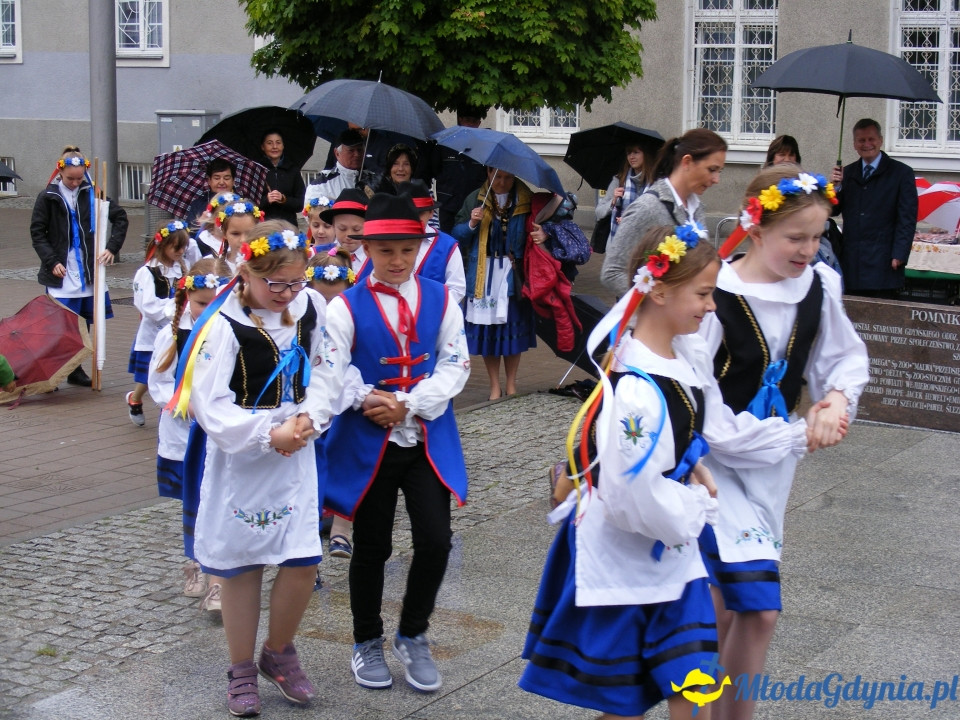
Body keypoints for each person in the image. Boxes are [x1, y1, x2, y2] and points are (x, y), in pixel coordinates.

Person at [519, 222, 810, 720]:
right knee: (626, 696)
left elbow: (698, 431)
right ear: (656, 291)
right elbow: (632, 492)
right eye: (702, 293)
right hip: (630, 551)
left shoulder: (681, 359)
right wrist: (696, 504)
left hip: (670, 555)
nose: (712, 306)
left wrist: (697, 464)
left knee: (691, 680)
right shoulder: (637, 386)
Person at [700, 166, 869, 720]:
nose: (809, 249)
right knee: (742, 607)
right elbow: (700, 402)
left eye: (818, 236)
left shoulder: (820, 285)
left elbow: (841, 357)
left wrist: (837, 400)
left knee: (739, 609)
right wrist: (794, 434)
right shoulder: (715, 291)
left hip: (773, 470)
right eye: (795, 237)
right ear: (754, 229)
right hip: (712, 465)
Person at [177, 219, 341, 716]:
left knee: (302, 558)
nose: (287, 293)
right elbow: (209, 403)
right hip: (243, 458)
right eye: (275, 284)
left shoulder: (310, 307)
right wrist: (269, 434)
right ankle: (241, 668)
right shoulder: (224, 322)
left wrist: (312, 415)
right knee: (242, 565)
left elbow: (331, 366)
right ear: (246, 271)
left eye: (296, 281)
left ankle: (279, 651)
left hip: (298, 448)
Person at [324, 194, 470, 693]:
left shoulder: (442, 297)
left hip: (426, 435)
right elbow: (331, 371)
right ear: (366, 249)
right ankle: (366, 640)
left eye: (406, 249)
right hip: (370, 441)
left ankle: (413, 633)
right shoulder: (343, 306)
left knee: (436, 540)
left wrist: (409, 403)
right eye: (386, 250)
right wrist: (371, 398)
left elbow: (456, 363)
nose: (397, 260)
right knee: (372, 546)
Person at [148, 257, 229, 598]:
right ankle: (196, 565)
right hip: (186, 434)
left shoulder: (230, 331)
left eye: (216, 303)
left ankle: (220, 575)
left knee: (220, 502)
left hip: (221, 436)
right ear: (187, 298)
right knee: (195, 501)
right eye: (201, 304)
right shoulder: (172, 335)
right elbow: (159, 383)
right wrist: (186, 403)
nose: (208, 310)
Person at [30, 146, 128, 387]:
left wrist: (112, 247)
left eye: (79, 177)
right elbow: (37, 233)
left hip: (88, 269)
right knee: (59, 325)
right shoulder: (48, 196)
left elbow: (120, 217)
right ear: (60, 172)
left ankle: (76, 367)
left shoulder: (91, 192)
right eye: (70, 178)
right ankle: (51, 373)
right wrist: (52, 261)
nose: (75, 183)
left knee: (84, 322)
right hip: (62, 269)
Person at [602, 129, 727, 297]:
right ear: (687, 162)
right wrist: (659, 299)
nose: (716, 180)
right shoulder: (648, 208)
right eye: (712, 169)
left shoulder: (696, 208)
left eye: (720, 171)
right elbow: (612, 272)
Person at [453, 167, 538, 400]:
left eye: (508, 177)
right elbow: (457, 235)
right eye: (497, 176)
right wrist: (471, 223)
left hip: (512, 273)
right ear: (489, 174)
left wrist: (542, 234)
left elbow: (538, 226)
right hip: (483, 271)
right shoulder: (475, 198)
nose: (502, 182)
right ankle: (494, 386)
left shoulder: (525, 199)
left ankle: (511, 384)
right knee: (488, 332)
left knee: (512, 329)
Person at [306, 247, 357, 564]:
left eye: (335, 300)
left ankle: (342, 528)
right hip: (310, 406)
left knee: (346, 466)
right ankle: (307, 543)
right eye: (320, 300)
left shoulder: (354, 321)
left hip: (345, 404)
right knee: (309, 473)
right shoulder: (299, 323)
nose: (327, 308)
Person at [829, 118, 918, 297]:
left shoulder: (901, 173)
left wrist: (899, 253)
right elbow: (832, 211)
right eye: (861, 140)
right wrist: (835, 187)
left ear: (880, 140)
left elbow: (907, 218)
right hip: (853, 261)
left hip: (884, 261)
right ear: (854, 144)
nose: (867, 144)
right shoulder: (847, 173)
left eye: (871, 139)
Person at [356, 180, 466, 303]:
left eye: (420, 213)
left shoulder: (447, 245)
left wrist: (430, 308)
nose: (414, 219)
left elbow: (457, 288)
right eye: (409, 213)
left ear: (431, 213)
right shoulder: (381, 241)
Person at [126, 221, 189, 426]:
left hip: (177, 330)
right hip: (155, 332)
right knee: (148, 374)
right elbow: (148, 306)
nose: (181, 251)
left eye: (184, 247)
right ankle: (135, 398)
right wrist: (175, 306)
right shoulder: (148, 272)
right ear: (163, 245)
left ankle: (168, 408)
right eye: (176, 247)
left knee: (172, 371)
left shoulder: (182, 270)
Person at [430, 109, 488, 232]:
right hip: (448, 204)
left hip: (473, 205)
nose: (470, 124)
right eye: (467, 120)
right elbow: (434, 169)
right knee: (447, 242)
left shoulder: (483, 147)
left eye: (474, 121)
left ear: (479, 123)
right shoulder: (445, 143)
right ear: (460, 120)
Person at [596, 142, 655, 249]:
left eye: (636, 152)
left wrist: (632, 220)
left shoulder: (655, 183)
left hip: (644, 247)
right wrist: (613, 201)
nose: (631, 157)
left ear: (645, 154)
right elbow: (598, 212)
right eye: (628, 153)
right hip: (617, 245)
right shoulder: (619, 180)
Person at [305, 129, 379, 205]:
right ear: (337, 153)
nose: (357, 154)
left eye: (359, 150)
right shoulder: (321, 185)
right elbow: (313, 215)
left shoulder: (376, 181)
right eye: (351, 150)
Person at [259, 129, 306, 226]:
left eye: (278, 143)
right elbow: (250, 203)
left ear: (283, 145)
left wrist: (284, 199)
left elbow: (301, 203)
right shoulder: (258, 169)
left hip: (288, 225)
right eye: (269, 143)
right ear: (263, 147)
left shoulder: (292, 170)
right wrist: (266, 200)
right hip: (264, 225)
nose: (275, 147)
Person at [209, 196, 265, 274]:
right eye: (235, 234)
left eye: (249, 233)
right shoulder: (212, 265)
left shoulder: (266, 265)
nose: (243, 240)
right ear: (224, 233)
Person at [319, 188, 368, 273]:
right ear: (333, 226)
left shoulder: (376, 260)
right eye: (342, 229)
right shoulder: (319, 255)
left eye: (356, 229)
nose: (349, 235)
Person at [186, 158, 236, 230]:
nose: (221, 182)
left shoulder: (242, 203)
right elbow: (188, 234)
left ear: (233, 181)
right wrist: (200, 223)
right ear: (209, 181)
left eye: (226, 178)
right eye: (216, 178)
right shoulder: (198, 204)